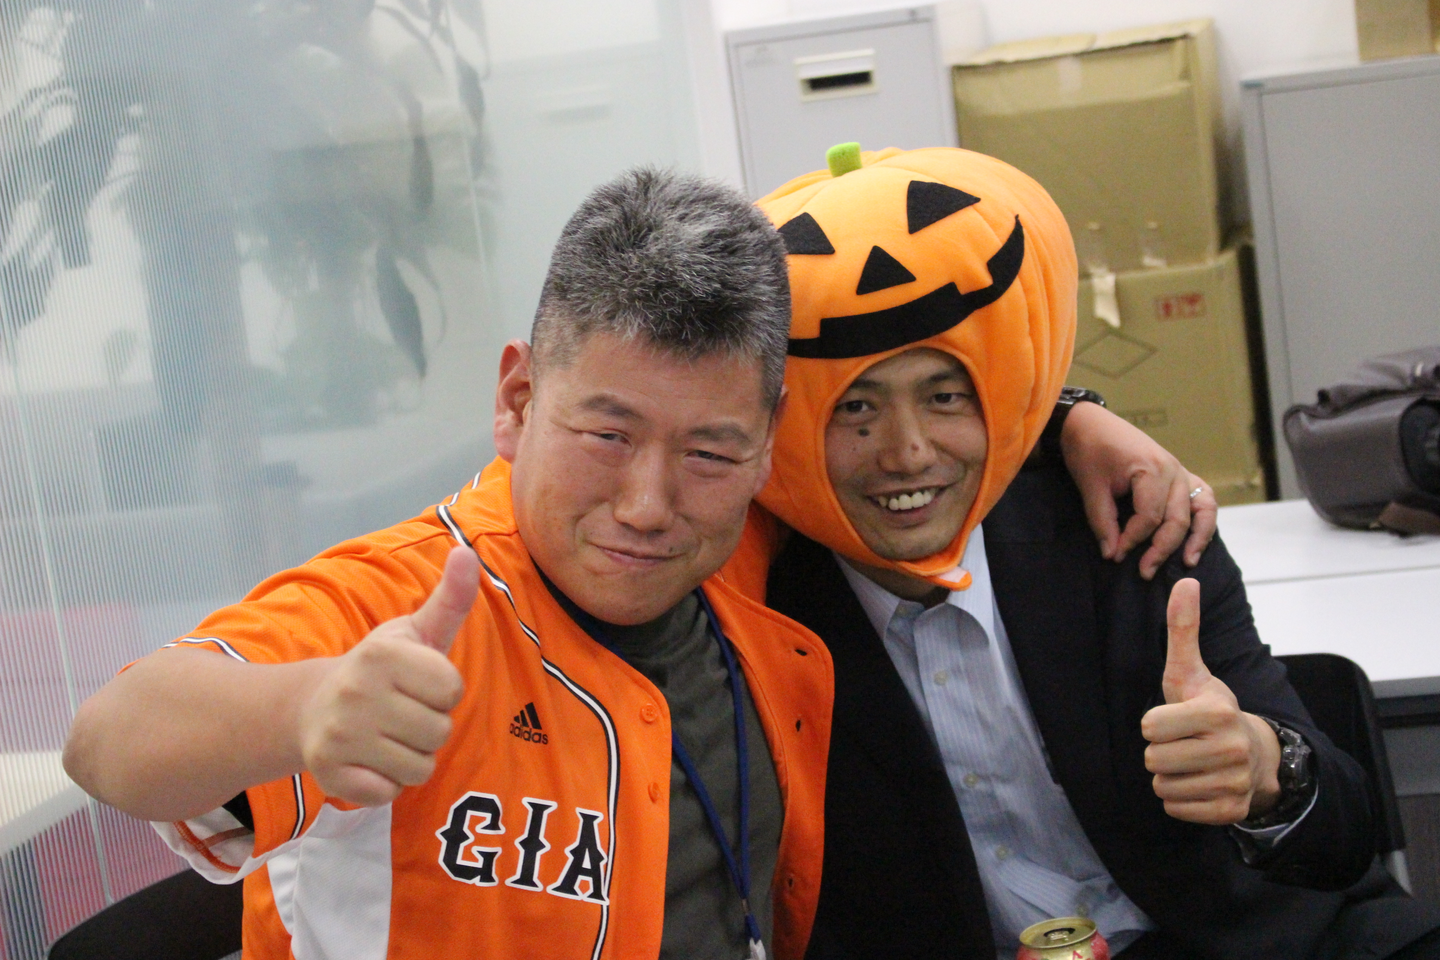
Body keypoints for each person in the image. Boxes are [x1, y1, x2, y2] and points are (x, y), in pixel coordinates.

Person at [61, 166, 1202, 960]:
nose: (649, 508)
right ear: (518, 399)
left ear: (766, 449)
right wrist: (307, 708)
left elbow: (918, 375)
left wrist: (1070, 416)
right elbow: (113, 739)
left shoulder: (741, 554)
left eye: (710, 450)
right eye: (605, 434)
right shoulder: (411, 605)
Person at [729, 145, 1440, 960]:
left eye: (946, 395)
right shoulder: (751, 610)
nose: (908, 453)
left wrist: (1264, 768)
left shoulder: (1131, 525)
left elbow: (1344, 839)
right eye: (855, 408)